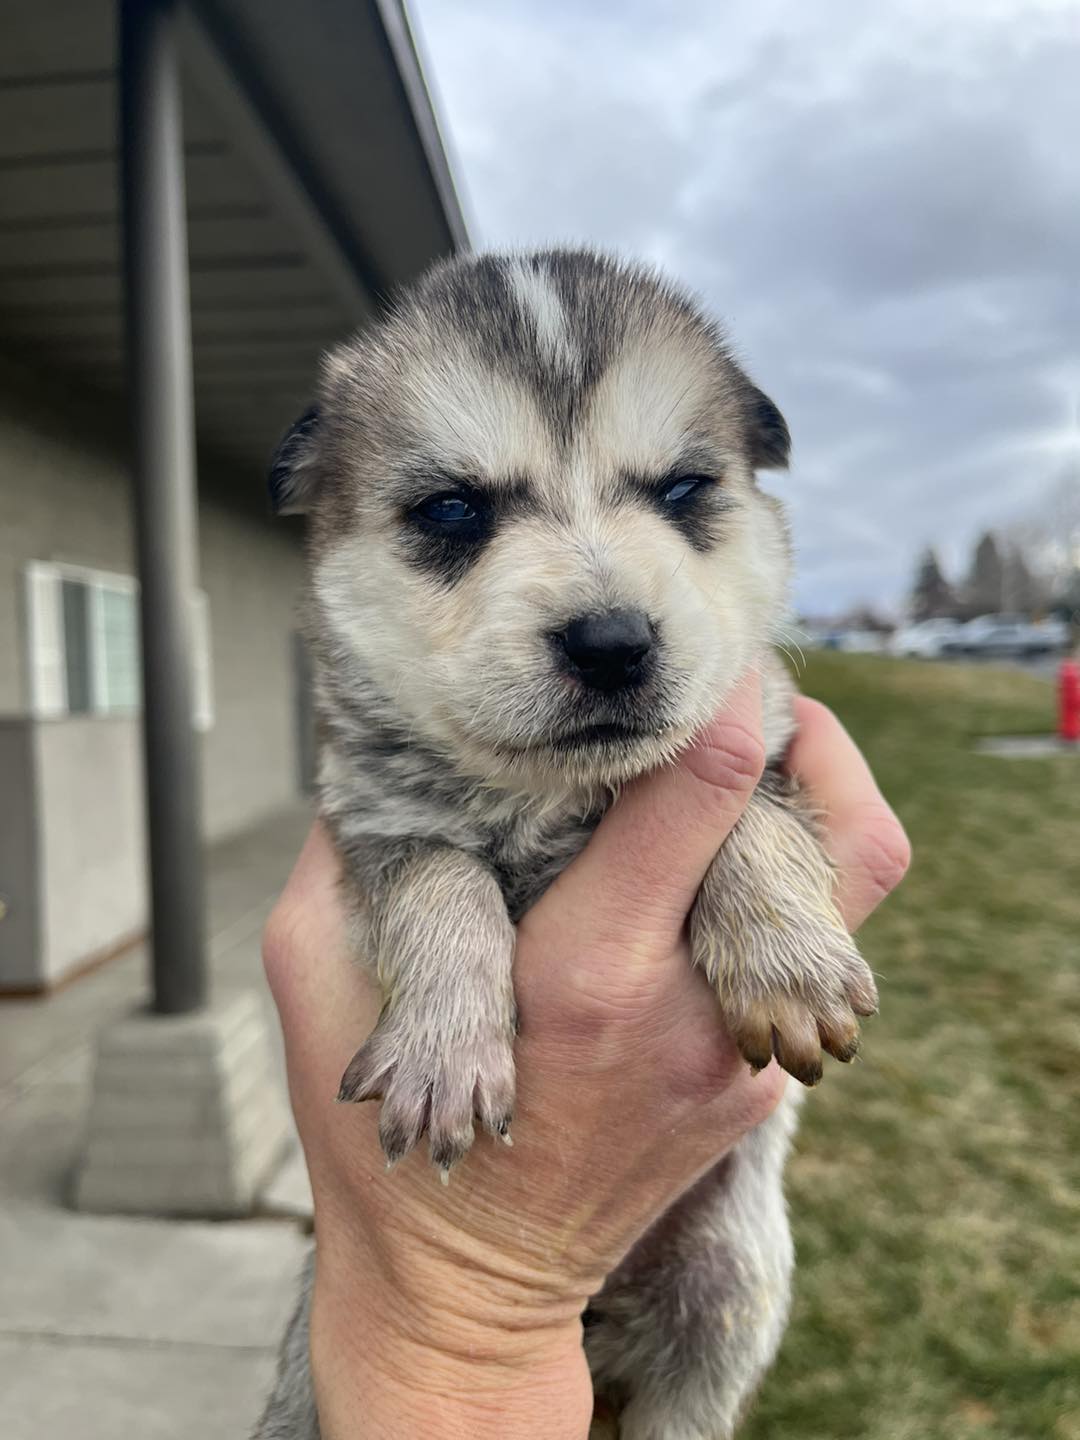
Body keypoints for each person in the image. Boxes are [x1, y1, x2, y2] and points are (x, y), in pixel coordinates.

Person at [262, 682, 910, 1439]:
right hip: (400, 1268)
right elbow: (394, 854)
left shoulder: (726, 695)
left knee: (711, 1330)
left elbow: (754, 783)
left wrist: (763, 876)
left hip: (700, 1242)